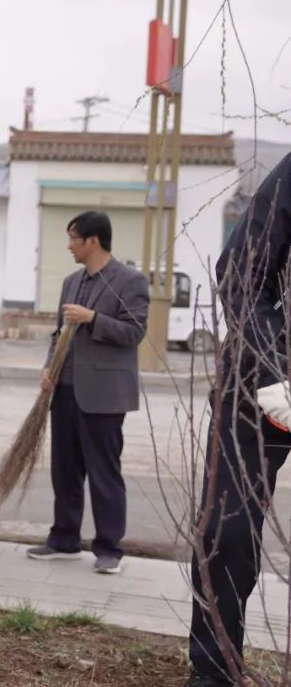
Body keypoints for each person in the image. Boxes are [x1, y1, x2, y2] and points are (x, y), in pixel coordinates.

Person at [185, 154, 291, 687]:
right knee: (227, 530)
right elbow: (243, 271)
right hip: (262, 382)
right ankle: (213, 667)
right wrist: (274, 368)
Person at [26, 211, 149, 575]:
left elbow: (134, 332)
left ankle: (109, 548)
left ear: (92, 241)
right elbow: (58, 332)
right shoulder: (70, 282)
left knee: (104, 473)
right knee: (64, 470)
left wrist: (92, 318)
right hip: (64, 390)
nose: (68, 246)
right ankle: (63, 538)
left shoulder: (130, 281)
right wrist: (50, 367)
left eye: (73, 239)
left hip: (104, 395)